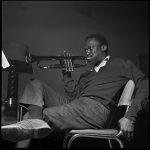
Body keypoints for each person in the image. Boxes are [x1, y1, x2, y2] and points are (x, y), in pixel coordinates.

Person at [1, 34, 149, 145]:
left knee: (38, 116)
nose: (87, 52)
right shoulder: (86, 74)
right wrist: (66, 73)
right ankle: (36, 121)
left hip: (96, 109)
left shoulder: (120, 64)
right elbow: (73, 97)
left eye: (91, 48)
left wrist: (130, 116)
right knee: (34, 83)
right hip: (78, 105)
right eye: (85, 49)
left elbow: (145, 83)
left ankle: (35, 121)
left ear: (103, 47)